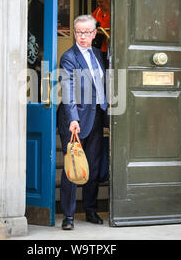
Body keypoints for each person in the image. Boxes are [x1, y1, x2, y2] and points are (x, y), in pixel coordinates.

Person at [57, 15, 108, 230]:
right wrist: (73, 119)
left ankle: (90, 210)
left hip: (97, 115)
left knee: (93, 167)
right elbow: (68, 90)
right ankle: (68, 216)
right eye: (79, 32)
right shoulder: (69, 57)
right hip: (74, 118)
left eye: (87, 32)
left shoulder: (98, 54)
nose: (83, 36)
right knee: (72, 166)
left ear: (95, 33)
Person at [27, 0, 44, 102]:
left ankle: (35, 101)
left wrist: (40, 47)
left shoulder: (39, 6)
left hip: (34, 46)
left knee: (34, 75)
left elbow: (43, 28)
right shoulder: (16, 4)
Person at [92, 0, 110, 69]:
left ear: (108, 1)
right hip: (98, 45)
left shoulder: (115, 11)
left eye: (101, 2)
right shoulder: (98, 11)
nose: (99, 4)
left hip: (109, 46)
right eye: (98, 2)